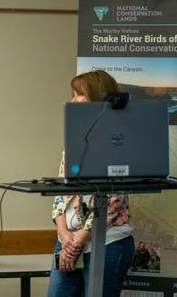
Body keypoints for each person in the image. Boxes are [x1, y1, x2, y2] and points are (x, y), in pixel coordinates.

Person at [47, 70, 135, 297]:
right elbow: (60, 192)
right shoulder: (74, 139)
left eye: (79, 94)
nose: (73, 100)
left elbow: (114, 199)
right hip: (66, 241)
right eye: (72, 94)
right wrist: (64, 235)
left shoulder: (119, 141)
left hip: (107, 244)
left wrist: (78, 240)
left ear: (98, 98)